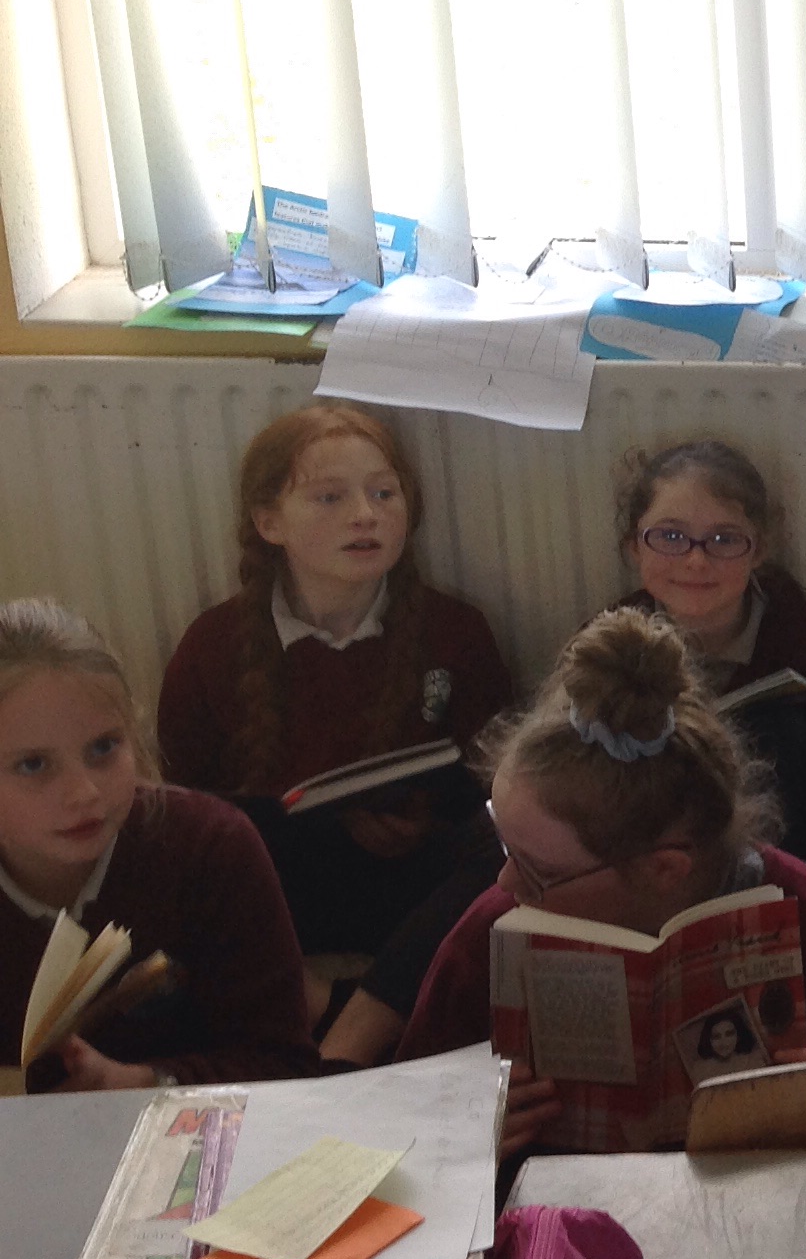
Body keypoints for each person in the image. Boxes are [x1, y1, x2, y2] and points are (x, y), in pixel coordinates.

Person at [397, 607, 806, 1153]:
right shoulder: (492, 937)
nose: (505, 882)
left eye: (541, 871)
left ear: (665, 868)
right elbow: (403, 1130)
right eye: (504, 845)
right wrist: (461, 1139)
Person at [155, 403, 513, 980]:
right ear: (269, 523)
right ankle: (319, 987)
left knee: (501, 852)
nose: (365, 516)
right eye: (329, 497)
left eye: (384, 494)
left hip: (417, 893)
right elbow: (186, 808)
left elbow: (495, 785)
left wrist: (423, 820)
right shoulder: (213, 646)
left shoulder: (455, 631)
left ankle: (364, 999)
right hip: (282, 899)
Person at [0, 598, 316, 1089]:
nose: (85, 793)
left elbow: (285, 1062)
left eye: (104, 747)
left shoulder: (210, 846)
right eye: (33, 765)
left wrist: (145, 1083)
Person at [612, 439, 806, 899]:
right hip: (659, 859)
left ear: (758, 550)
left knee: (785, 738)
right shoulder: (610, 639)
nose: (696, 559)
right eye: (670, 537)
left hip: (787, 861)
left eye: (725, 539)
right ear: (635, 546)